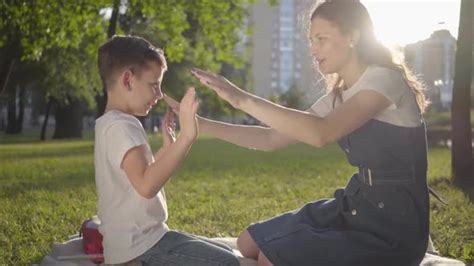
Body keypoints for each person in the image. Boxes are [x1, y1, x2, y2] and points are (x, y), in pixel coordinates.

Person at [165, 0, 431, 265]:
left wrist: (240, 99)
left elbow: (321, 134)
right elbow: (270, 138)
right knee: (247, 242)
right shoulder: (339, 95)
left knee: (272, 257)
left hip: (392, 227)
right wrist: (202, 125)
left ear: (353, 36)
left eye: (321, 39)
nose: (313, 50)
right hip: (355, 204)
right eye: (311, 40)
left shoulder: (383, 81)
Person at [95, 35, 239, 265]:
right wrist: (187, 137)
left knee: (227, 252)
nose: (160, 94)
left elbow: (139, 176)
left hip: (136, 245)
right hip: (142, 249)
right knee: (231, 262)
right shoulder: (122, 125)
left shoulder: (110, 123)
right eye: (154, 85)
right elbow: (146, 185)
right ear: (128, 80)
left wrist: (167, 148)